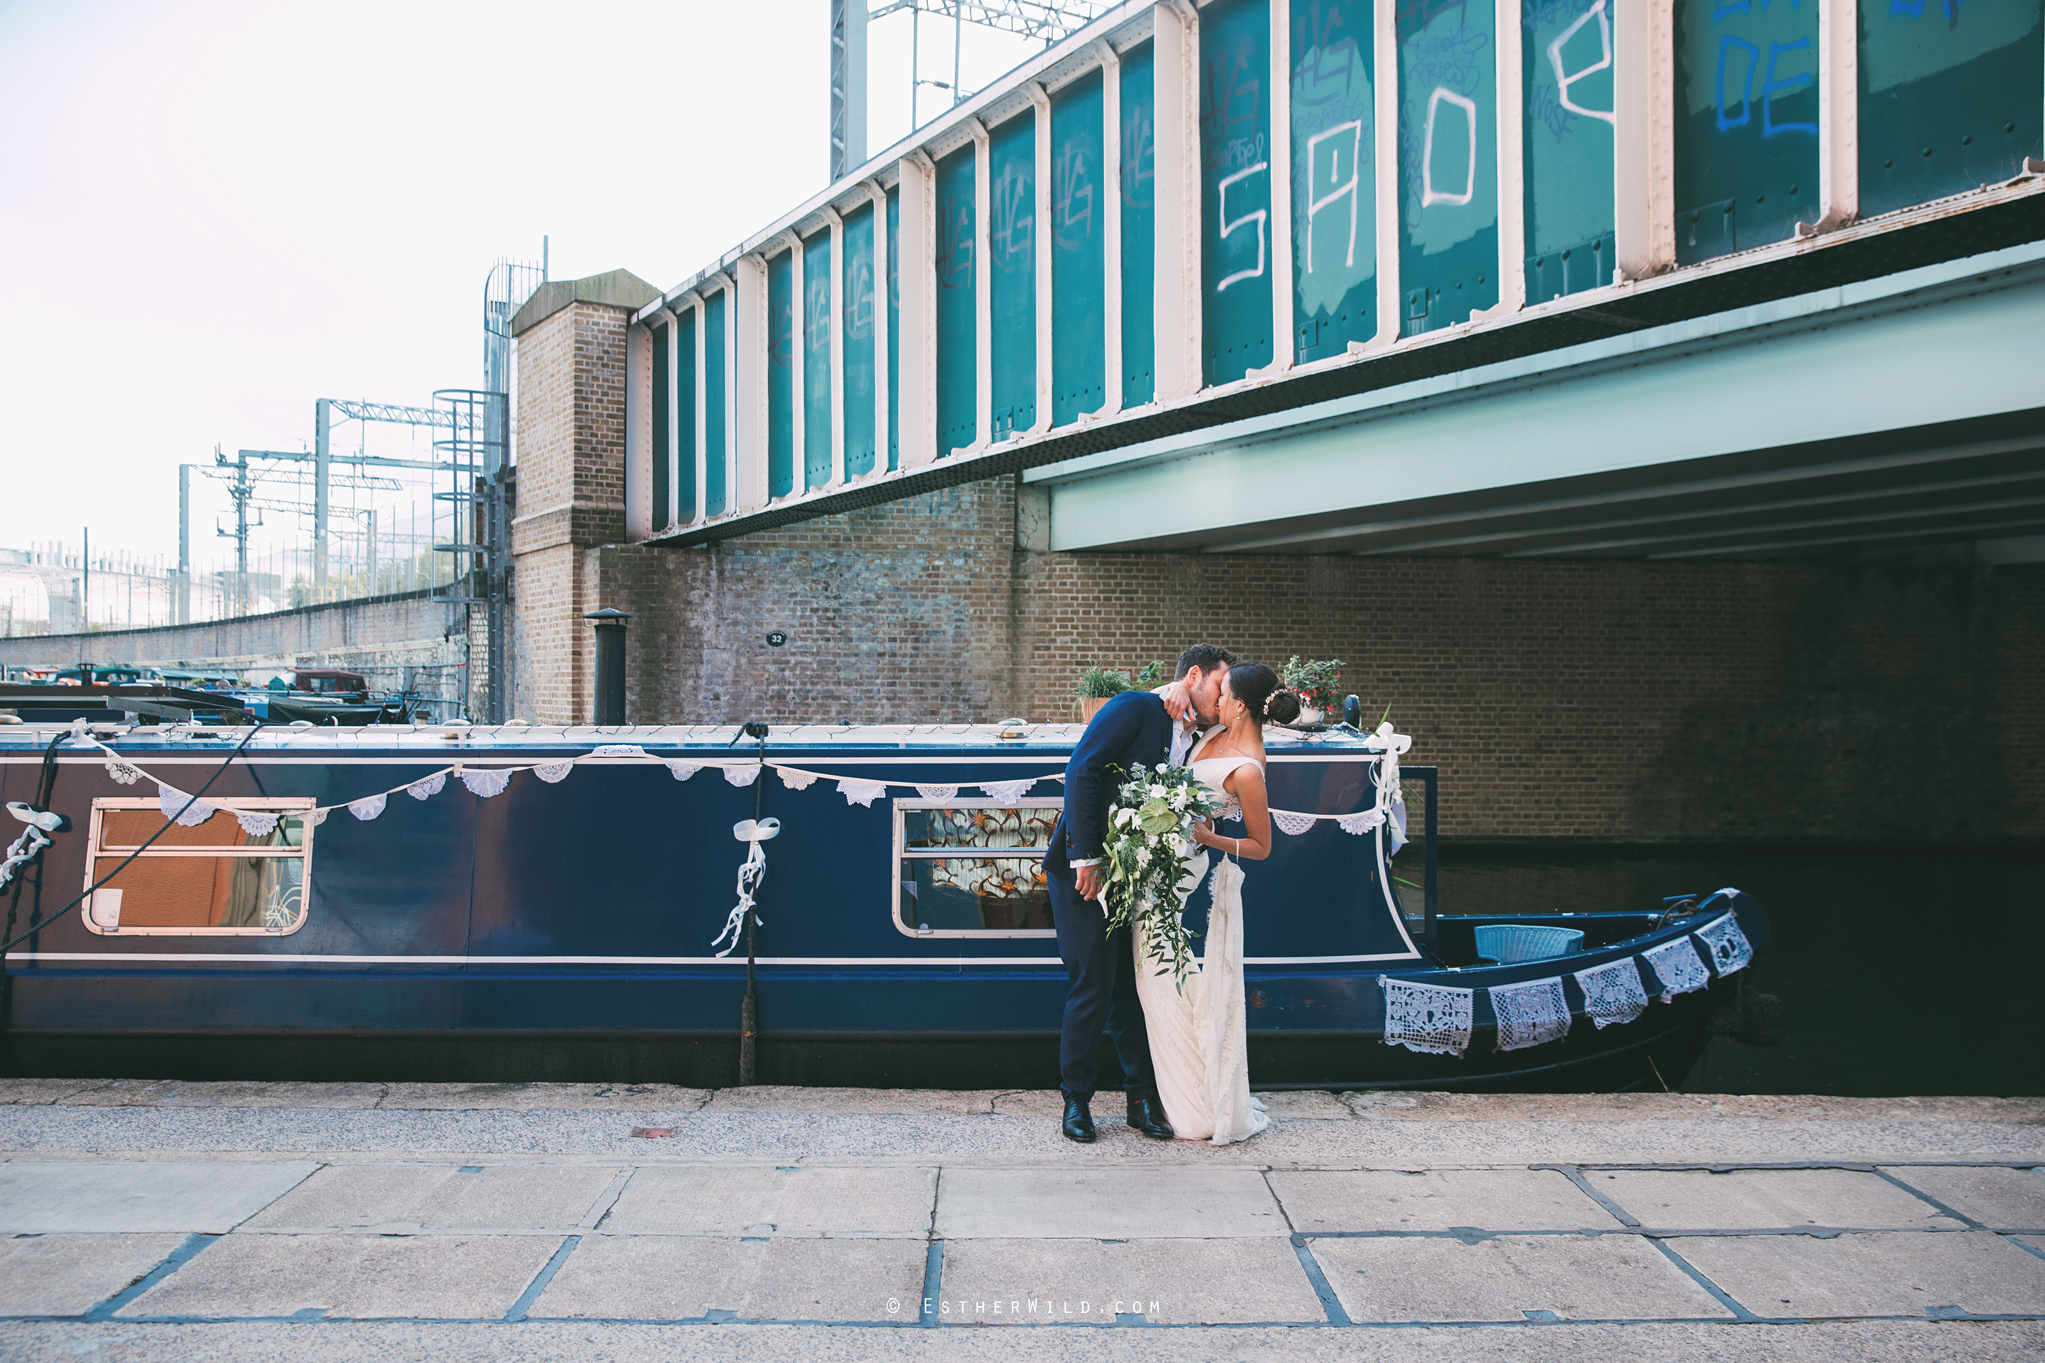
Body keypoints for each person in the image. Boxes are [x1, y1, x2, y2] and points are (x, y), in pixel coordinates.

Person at [1044, 643, 1238, 1143]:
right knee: (1093, 984)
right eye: (1220, 684)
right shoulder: (1135, 708)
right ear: (1193, 675)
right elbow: (1082, 771)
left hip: (1141, 878)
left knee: (1135, 988)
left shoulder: (1202, 733)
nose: (1224, 697)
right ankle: (1077, 1103)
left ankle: (1141, 1100)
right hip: (1085, 872)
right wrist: (1085, 856)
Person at [1134, 660, 1299, 1145]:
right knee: (1156, 978)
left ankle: (1194, 1101)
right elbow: (1171, 705)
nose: (1216, 700)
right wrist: (1175, 690)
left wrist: (1209, 835)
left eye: (1223, 694)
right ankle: (1185, 1079)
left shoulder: (1248, 768)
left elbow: (1262, 846)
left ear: (1241, 704)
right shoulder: (1212, 736)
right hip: (1161, 861)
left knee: (1157, 976)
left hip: (1184, 872)